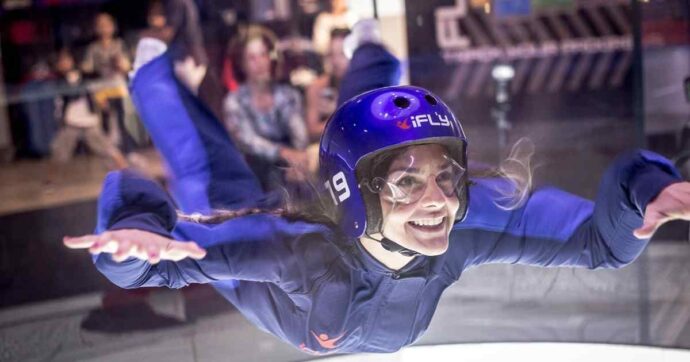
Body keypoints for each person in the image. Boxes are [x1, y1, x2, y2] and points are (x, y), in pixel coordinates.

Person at [64, 34, 690, 356]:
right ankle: (150, 72)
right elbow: (150, 254)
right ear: (356, 196)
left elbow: (594, 243)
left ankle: (372, 48)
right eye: (406, 182)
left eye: (446, 176)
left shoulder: (462, 230)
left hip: (332, 227)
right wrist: (132, 234)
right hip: (274, 257)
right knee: (206, 174)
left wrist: (646, 189)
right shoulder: (295, 253)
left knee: (360, 124)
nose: (438, 200)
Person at [223, 25, 309, 190]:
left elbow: (300, 138)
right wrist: (283, 153)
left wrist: (297, 163)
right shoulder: (234, 101)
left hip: (292, 170)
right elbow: (248, 142)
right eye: (251, 58)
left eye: (263, 55)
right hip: (254, 173)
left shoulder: (288, 95)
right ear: (242, 64)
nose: (260, 63)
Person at [305, 28, 350, 143]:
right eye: (331, 55)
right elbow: (311, 132)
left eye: (342, 54)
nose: (335, 61)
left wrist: (338, 112)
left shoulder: (364, 84)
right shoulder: (318, 87)